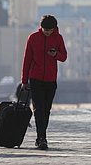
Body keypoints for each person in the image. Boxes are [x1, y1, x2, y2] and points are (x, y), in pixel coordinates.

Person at [21, 15, 67, 150]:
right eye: (45, 29)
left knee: (46, 110)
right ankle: (42, 138)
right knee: (39, 109)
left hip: (51, 80)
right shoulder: (33, 38)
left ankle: (40, 137)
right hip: (35, 79)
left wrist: (55, 55)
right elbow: (27, 60)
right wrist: (24, 80)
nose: (47, 32)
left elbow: (64, 56)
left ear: (54, 28)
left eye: (49, 30)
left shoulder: (58, 38)